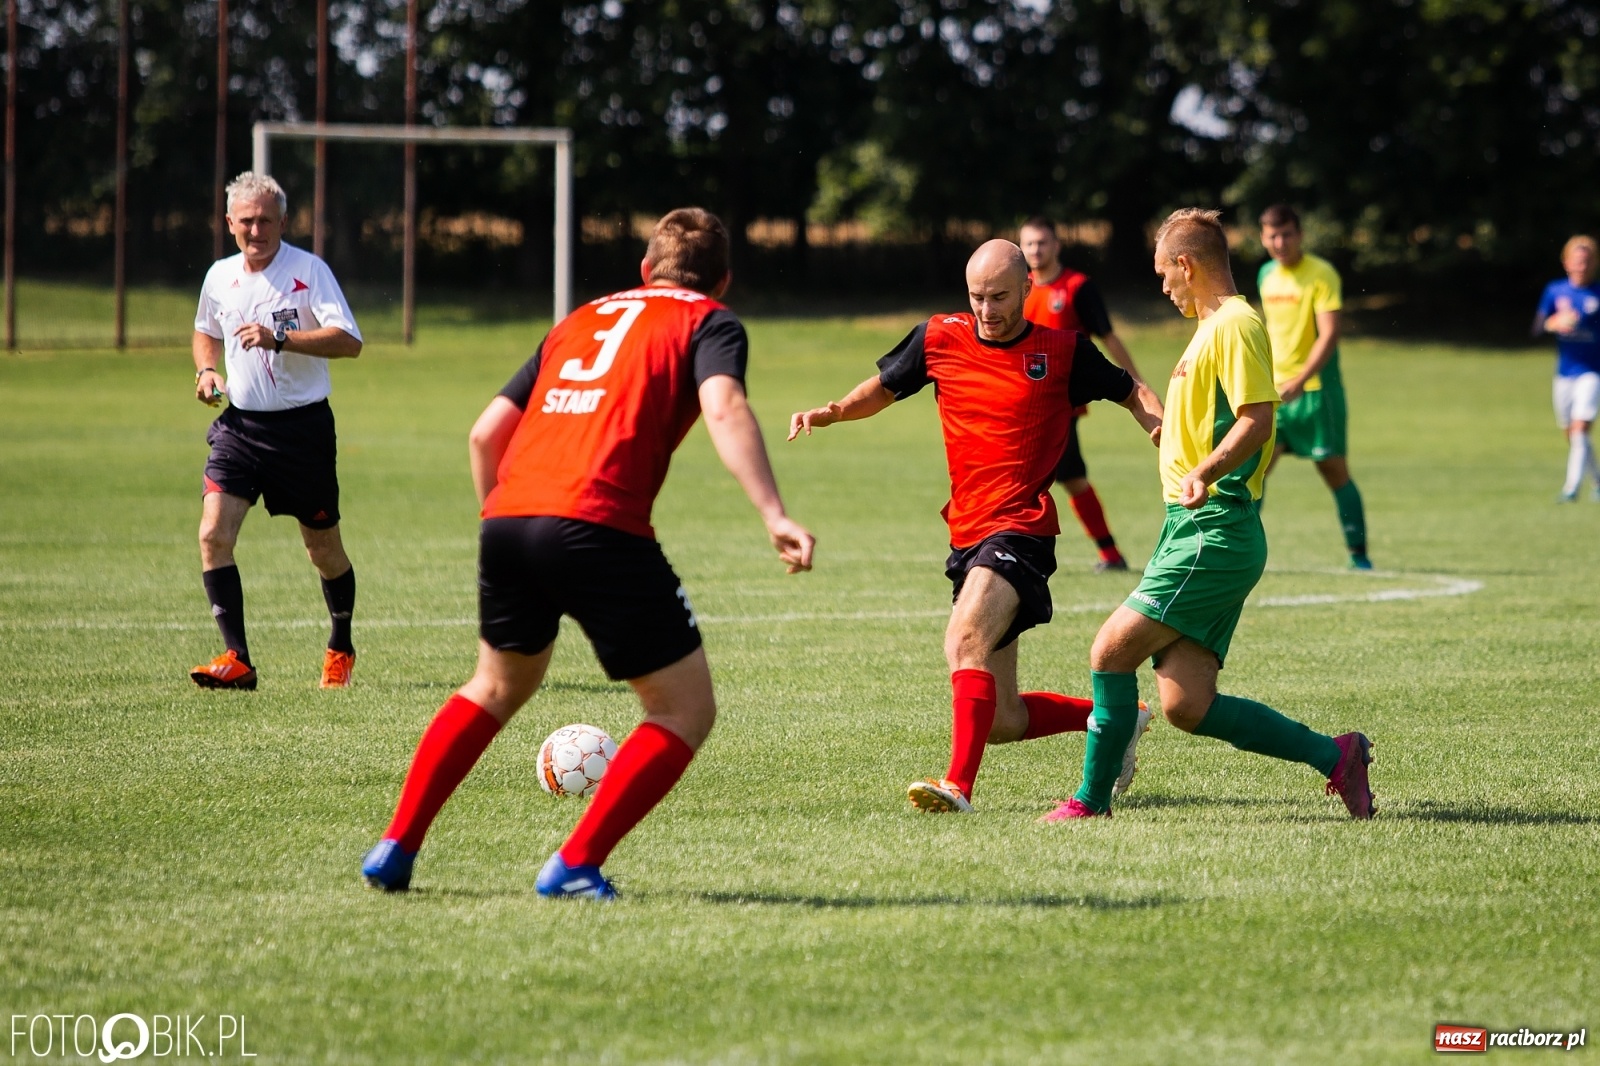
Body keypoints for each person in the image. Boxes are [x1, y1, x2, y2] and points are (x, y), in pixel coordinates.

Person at [361, 208, 815, 898]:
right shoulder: (709, 321)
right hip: (598, 524)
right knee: (682, 710)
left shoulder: (580, 319)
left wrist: (502, 521)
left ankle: (396, 845)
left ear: (644, 270)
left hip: (508, 519)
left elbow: (486, 435)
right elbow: (723, 408)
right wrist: (774, 512)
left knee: (495, 686)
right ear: (721, 281)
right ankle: (575, 863)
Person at [789, 240, 1165, 813]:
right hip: (966, 530)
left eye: (999, 297)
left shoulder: (1061, 350)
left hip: (1021, 530)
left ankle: (957, 787)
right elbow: (885, 388)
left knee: (962, 641)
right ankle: (1114, 719)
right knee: (1002, 720)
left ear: (1027, 291)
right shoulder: (939, 337)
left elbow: (1129, 391)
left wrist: (1164, 433)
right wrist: (835, 410)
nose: (987, 310)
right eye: (977, 297)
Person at [1043, 209, 1374, 823]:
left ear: (1187, 265)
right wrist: (1173, 438)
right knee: (1187, 705)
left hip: (1213, 527)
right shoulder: (1211, 328)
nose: (1163, 285)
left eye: (1164, 272)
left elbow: (1258, 418)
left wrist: (1205, 470)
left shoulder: (1237, 324)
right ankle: (1337, 756)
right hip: (1198, 527)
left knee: (1110, 651)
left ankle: (1089, 802)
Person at [189, 171, 364, 691]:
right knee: (212, 534)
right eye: (247, 220)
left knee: (323, 551)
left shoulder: (309, 271)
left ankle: (340, 644)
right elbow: (205, 331)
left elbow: (349, 341)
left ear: (284, 221)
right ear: (229, 223)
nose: (257, 229)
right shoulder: (219, 275)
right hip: (239, 429)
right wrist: (206, 371)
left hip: (302, 432)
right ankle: (238, 659)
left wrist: (281, 339)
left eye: (267, 219)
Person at [1018, 216, 1144, 572]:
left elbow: (1107, 335)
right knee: (1060, 478)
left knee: (1056, 478)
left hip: (1061, 404)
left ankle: (1106, 553)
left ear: (1057, 245)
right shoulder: (1017, 288)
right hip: (1020, 404)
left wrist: (1135, 382)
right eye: (1029, 244)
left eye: (1042, 243)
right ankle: (1108, 554)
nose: (1036, 250)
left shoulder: (1077, 287)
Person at [1256, 204, 1372, 569]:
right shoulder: (1265, 275)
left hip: (1317, 392)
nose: (1280, 242)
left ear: (1300, 234)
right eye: (1272, 235)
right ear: (1262, 237)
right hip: (1274, 394)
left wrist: (1300, 380)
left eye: (1287, 233)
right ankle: (1239, 557)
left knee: (1334, 472)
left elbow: (1330, 334)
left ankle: (1359, 556)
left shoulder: (1321, 274)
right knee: (1254, 473)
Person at [1534, 235, 1600, 501]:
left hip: (1593, 372)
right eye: (1577, 261)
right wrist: (1554, 322)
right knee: (1573, 436)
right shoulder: (1555, 291)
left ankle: (1571, 489)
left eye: (1587, 261)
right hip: (1564, 374)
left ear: (1594, 263)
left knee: (1580, 428)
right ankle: (1597, 481)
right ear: (1566, 263)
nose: (1581, 266)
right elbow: (1537, 328)